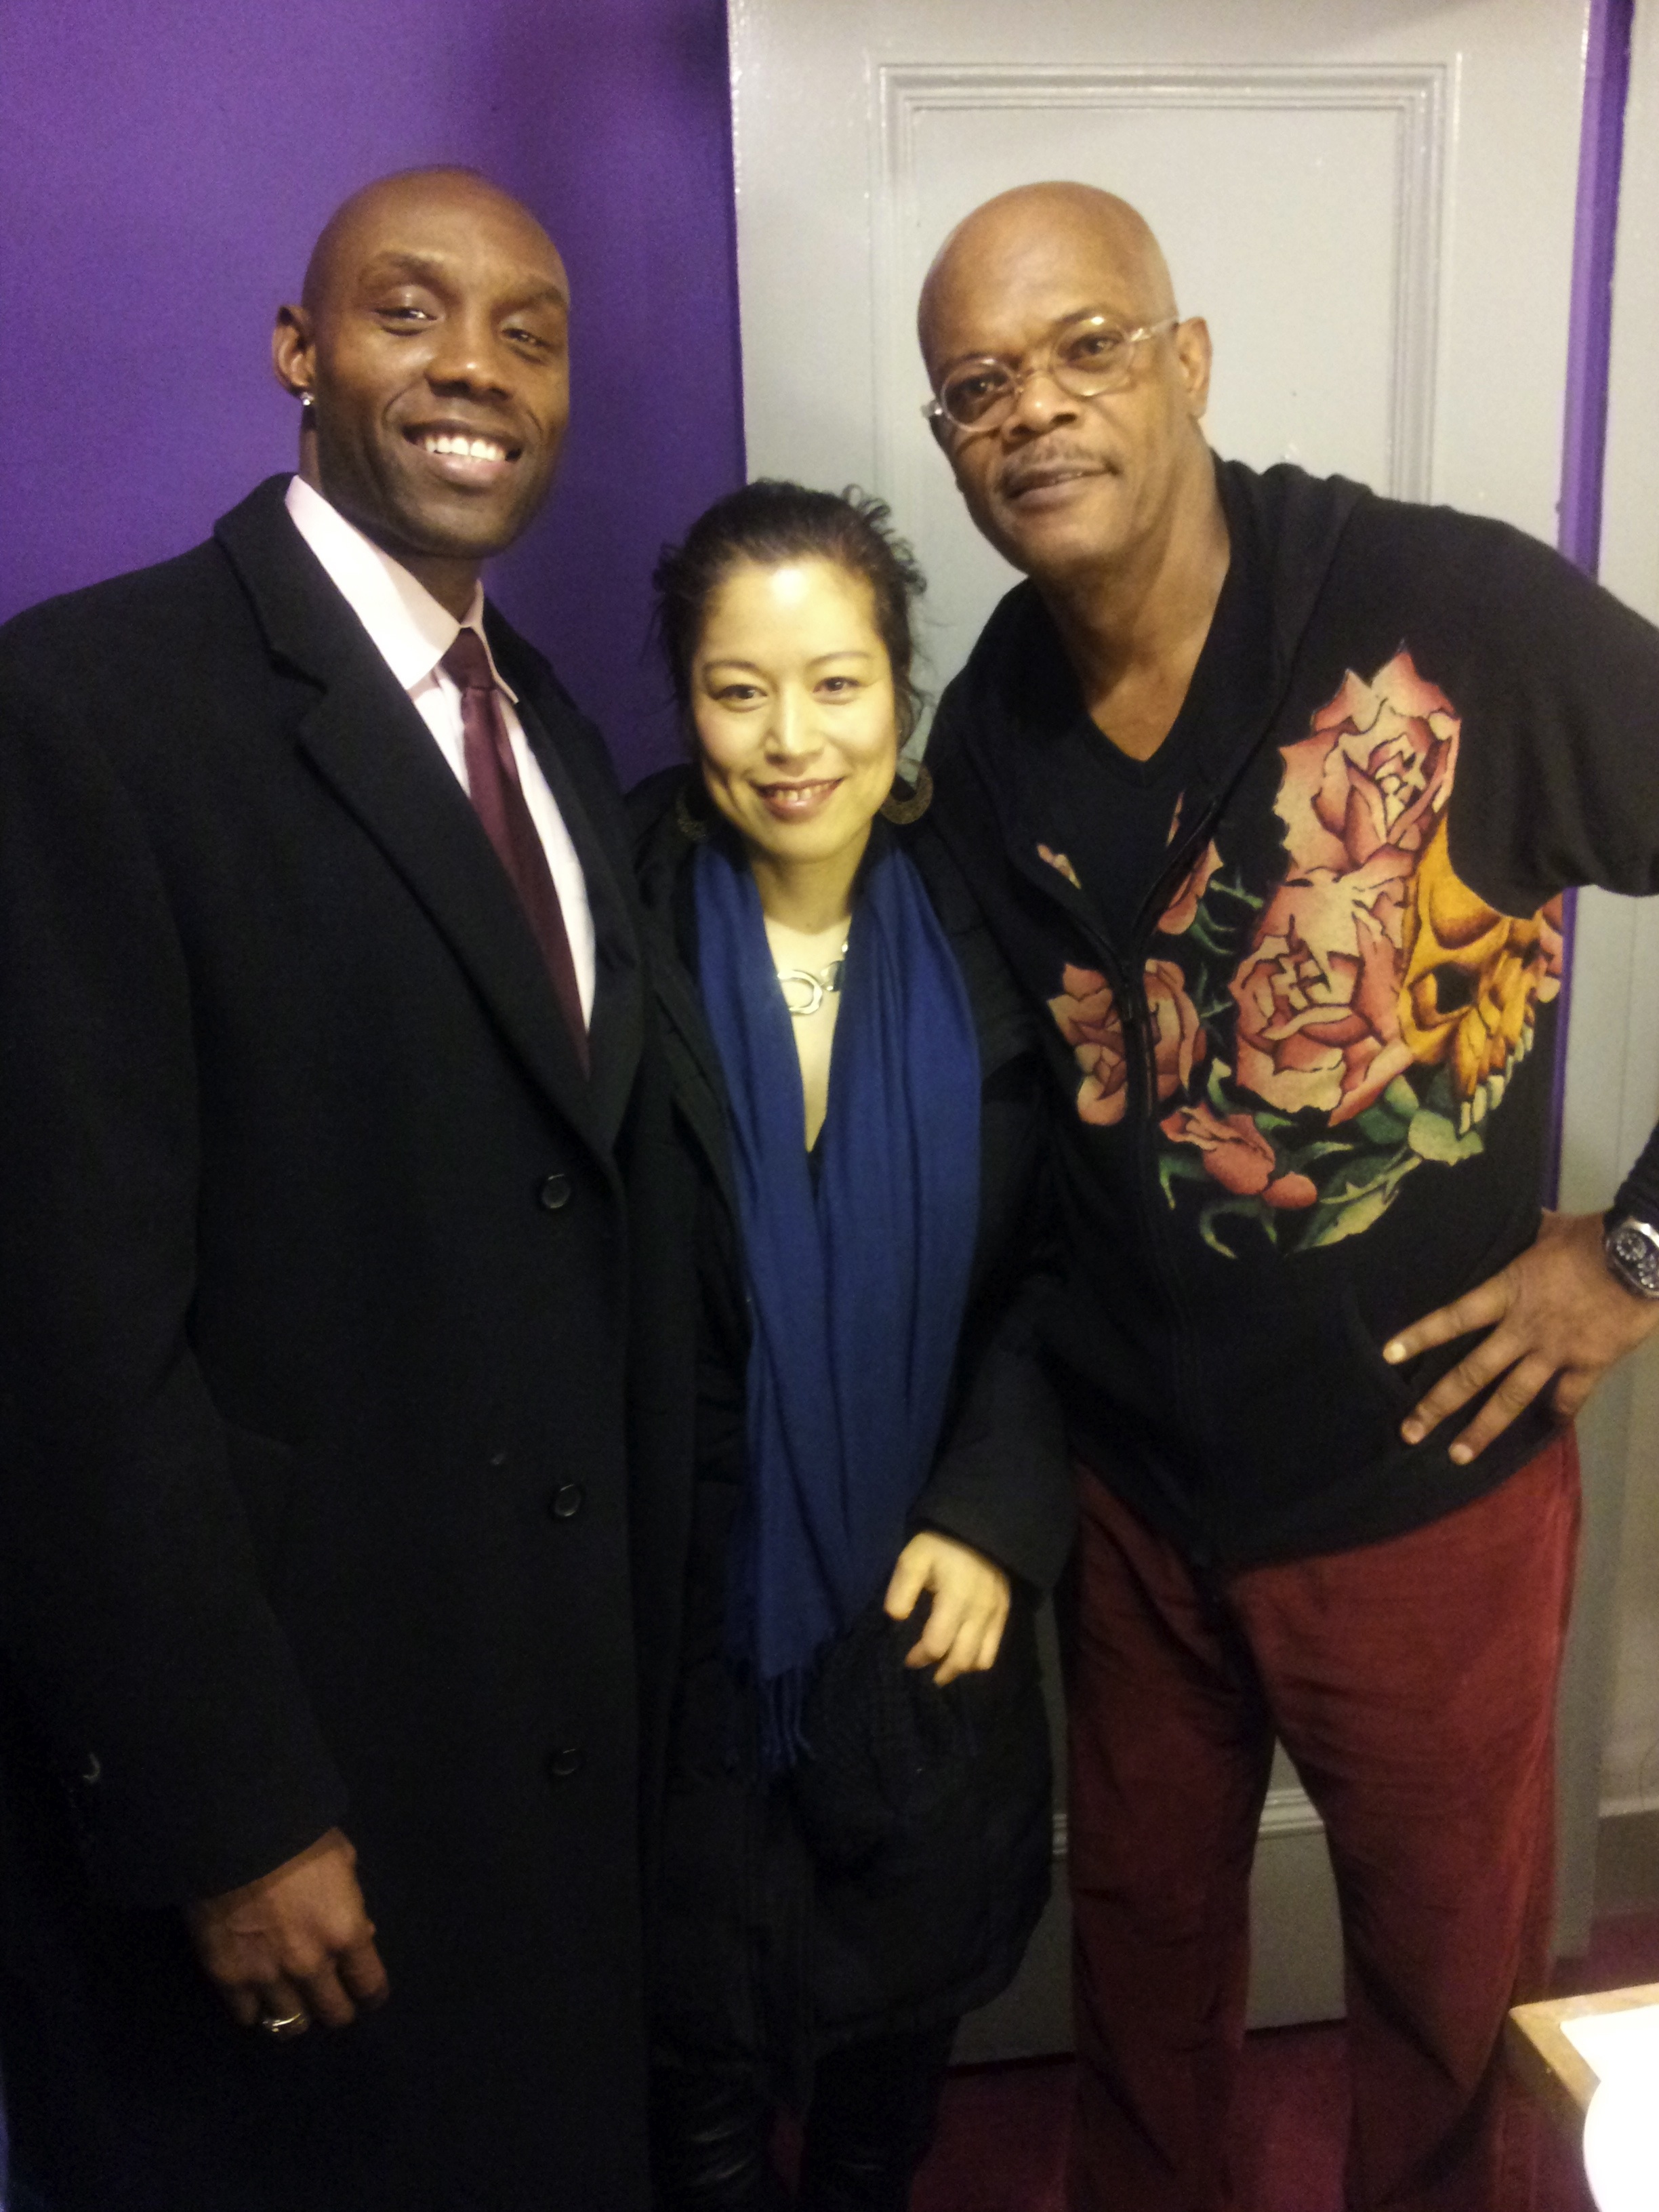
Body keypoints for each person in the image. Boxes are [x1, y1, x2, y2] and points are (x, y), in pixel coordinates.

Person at [912, 180, 1659, 2212]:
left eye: (1085, 350)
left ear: (1188, 364)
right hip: (1135, 1504)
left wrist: (1647, 1249)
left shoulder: (1453, 614)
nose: (1036, 414)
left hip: (1425, 1499)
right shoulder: (985, 724)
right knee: (1141, 1987)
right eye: (978, 387)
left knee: (1440, 2002)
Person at [0, 167, 671, 2211]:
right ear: (300, 354)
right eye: (409, 311)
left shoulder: (546, 720)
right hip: (294, 1773)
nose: (475, 366)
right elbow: (59, 1335)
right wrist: (227, 1810)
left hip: (527, 1735)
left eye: (528, 333)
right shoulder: (85, 712)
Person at [629, 482, 1072, 2211]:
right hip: (691, 1645)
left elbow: (1062, 1266)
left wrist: (998, 1511)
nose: (793, 739)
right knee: (701, 2114)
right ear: (688, 705)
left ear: (902, 697)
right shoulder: (606, 930)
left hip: (926, 1620)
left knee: (888, 2110)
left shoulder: (1000, 941)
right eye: (741, 690)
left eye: (838, 683)